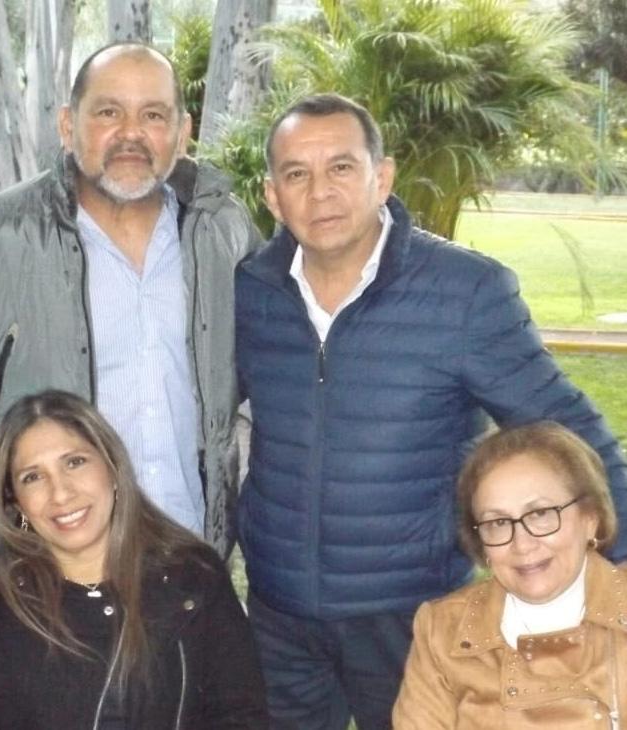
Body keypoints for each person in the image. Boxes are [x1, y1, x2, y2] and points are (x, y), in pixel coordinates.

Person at [234, 92, 627, 729]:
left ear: (382, 178)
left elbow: (565, 428)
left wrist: (623, 547)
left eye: (341, 167)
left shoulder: (465, 292)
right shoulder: (252, 289)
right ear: (273, 197)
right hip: (280, 616)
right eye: (296, 174)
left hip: (408, 612)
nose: (320, 192)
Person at [0, 42, 262, 555]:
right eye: (108, 112)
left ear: (183, 133)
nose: (131, 134)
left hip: (188, 557)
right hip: (38, 564)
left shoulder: (222, 229)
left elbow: (274, 356)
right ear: (68, 126)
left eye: (153, 115)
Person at [0, 389, 268, 729]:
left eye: (74, 462)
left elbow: (242, 716)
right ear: (16, 501)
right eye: (33, 477)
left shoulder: (194, 576)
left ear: (112, 467)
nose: (61, 493)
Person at [393, 422, 627, 728]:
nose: (522, 544)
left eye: (540, 514)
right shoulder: (443, 629)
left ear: (590, 517)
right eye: (498, 523)